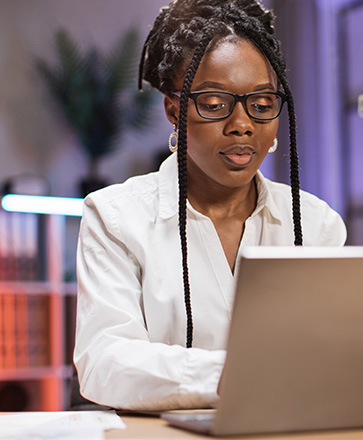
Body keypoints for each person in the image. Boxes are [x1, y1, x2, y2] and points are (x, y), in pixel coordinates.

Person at [73, 0, 346, 411]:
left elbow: (339, 351)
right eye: (215, 104)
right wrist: (242, 376)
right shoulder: (115, 217)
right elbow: (106, 362)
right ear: (173, 110)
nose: (242, 123)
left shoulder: (316, 223)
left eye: (262, 103)